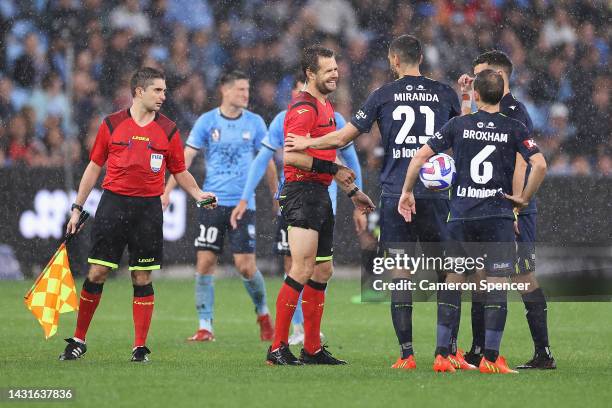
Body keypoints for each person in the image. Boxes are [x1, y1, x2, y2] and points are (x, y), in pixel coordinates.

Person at [286, 35, 462, 369]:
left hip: (398, 194)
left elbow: (342, 137)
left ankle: (407, 355)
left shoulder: (384, 94)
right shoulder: (444, 92)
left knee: (400, 273)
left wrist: (309, 140)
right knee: (448, 273)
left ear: (394, 60)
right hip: (436, 194)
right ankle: (445, 352)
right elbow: (466, 128)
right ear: (421, 57)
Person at [59, 67, 217, 363]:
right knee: (97, 272)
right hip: (113, 205)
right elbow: (94, 166)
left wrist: (198, 194)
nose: (163, 96)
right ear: (138, 92)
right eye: (157, 90)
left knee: (142, 276)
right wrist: (77, 208)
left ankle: (140, 346)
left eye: (165, 91)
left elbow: (179, 170)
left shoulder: (169, 129)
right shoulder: (112, 124)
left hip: (148, 210)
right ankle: (78, 340)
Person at [398, 69, 547, 373]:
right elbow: (540, 164)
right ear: (501, 94)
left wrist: (407, 191)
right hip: (497, 217)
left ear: (476, 95)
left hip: (462, 216)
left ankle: (441, 354)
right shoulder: (514, 128)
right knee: (495, 286)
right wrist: (524, 198)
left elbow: (418, 158)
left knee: (453, 281)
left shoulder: (458, 125)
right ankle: (490, 359)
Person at [230, 76, 365, 345]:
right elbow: (265, 159)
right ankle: (295, 331)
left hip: (326, 202)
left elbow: (352, 160)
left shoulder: (333, 116)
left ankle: (311, 340)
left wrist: (355, 196)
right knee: (295, 265)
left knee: (322, 269)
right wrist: (245, 198)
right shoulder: (284, 118)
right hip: (298, 198)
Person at [266, 45, 375, 365]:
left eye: (336, 68)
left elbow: (330, 155)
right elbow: (292, 156)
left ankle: (311, 348)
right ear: (310, 74)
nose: (335, 73)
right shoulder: (303, 108)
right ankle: (277, 348)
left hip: (320, 193)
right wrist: (334, 170)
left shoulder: (325, 106)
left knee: (323, 270)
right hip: (301, 193)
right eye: (328, 69)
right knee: (300, 268)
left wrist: (353, 191)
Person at [457, 50, 556, 369]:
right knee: (480, 277)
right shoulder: (487, 109)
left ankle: (543, 352)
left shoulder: (514, 111)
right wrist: (466, 100)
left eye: (480, 74)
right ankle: (479, 350)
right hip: (485, 208)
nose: (474, 79)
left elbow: (520, 162)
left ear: (499, 75)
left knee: (522, 276)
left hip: (512, 208)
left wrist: (515, 207)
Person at [162, 70, 275, 343]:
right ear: (225, 90)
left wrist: (276, 194)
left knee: (245, 266)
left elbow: (267, 161)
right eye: (240, 90)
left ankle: (263, 314)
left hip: (242, 203)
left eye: (247, 90)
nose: (246, 95)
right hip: (211, 201)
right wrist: (166, 191)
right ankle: (205, 326)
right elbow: (184, 159)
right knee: (205, 262)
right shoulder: (207, 121)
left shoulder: (256, 122)